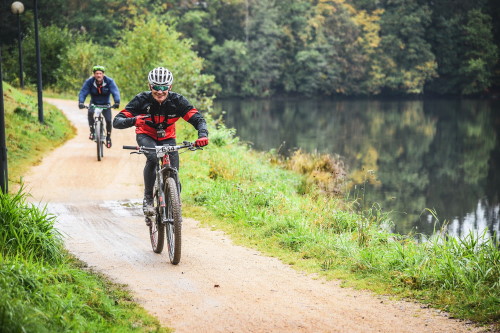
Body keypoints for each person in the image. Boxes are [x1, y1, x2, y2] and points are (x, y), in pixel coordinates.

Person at [113, 67, 209, 216]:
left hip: (168, 137)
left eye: (164, 87)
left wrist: (202, 135)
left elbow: (198, 119)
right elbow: (117, 121)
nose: (160, 91)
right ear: (150, 86)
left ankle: (174, 204)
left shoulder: (178, 101)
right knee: (152, 158)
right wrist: (133, 120)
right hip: (146, 135)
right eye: (156, 87)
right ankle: (148, 199)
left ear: (169, 87)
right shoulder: (141, 100)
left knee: (174, 172)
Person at [78, 65, 120, 148]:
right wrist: (81, 102)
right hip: (94, 103)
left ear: (103, 74)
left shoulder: (109, 81)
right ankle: (92, 131)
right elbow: (83, 92)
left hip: (105, 104)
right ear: (94, 74)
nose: (98, 75)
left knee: (108, 120)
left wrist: (117, 102)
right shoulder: (89, 82)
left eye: (100, 73)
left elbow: (115, 91)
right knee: (90, 113)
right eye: (97, 73)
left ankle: (108, 138)